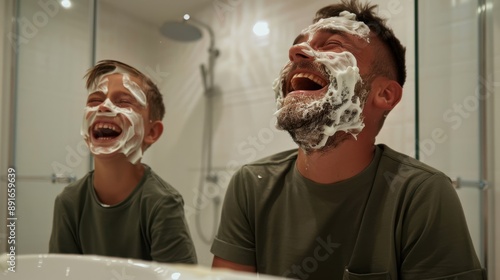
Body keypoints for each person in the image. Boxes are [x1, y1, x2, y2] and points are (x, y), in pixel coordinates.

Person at [211, 1, 485, 279]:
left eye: (331, 45)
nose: (295, 52)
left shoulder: (419, 194)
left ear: (385, 95)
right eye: (299, 44)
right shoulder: (251, 184)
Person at [49, 60, 197, 264]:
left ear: (152, 132)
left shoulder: (161, 203)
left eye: (123, 102)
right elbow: (60, 273)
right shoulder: (69, 201)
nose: (103, 106)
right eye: (94, 100)